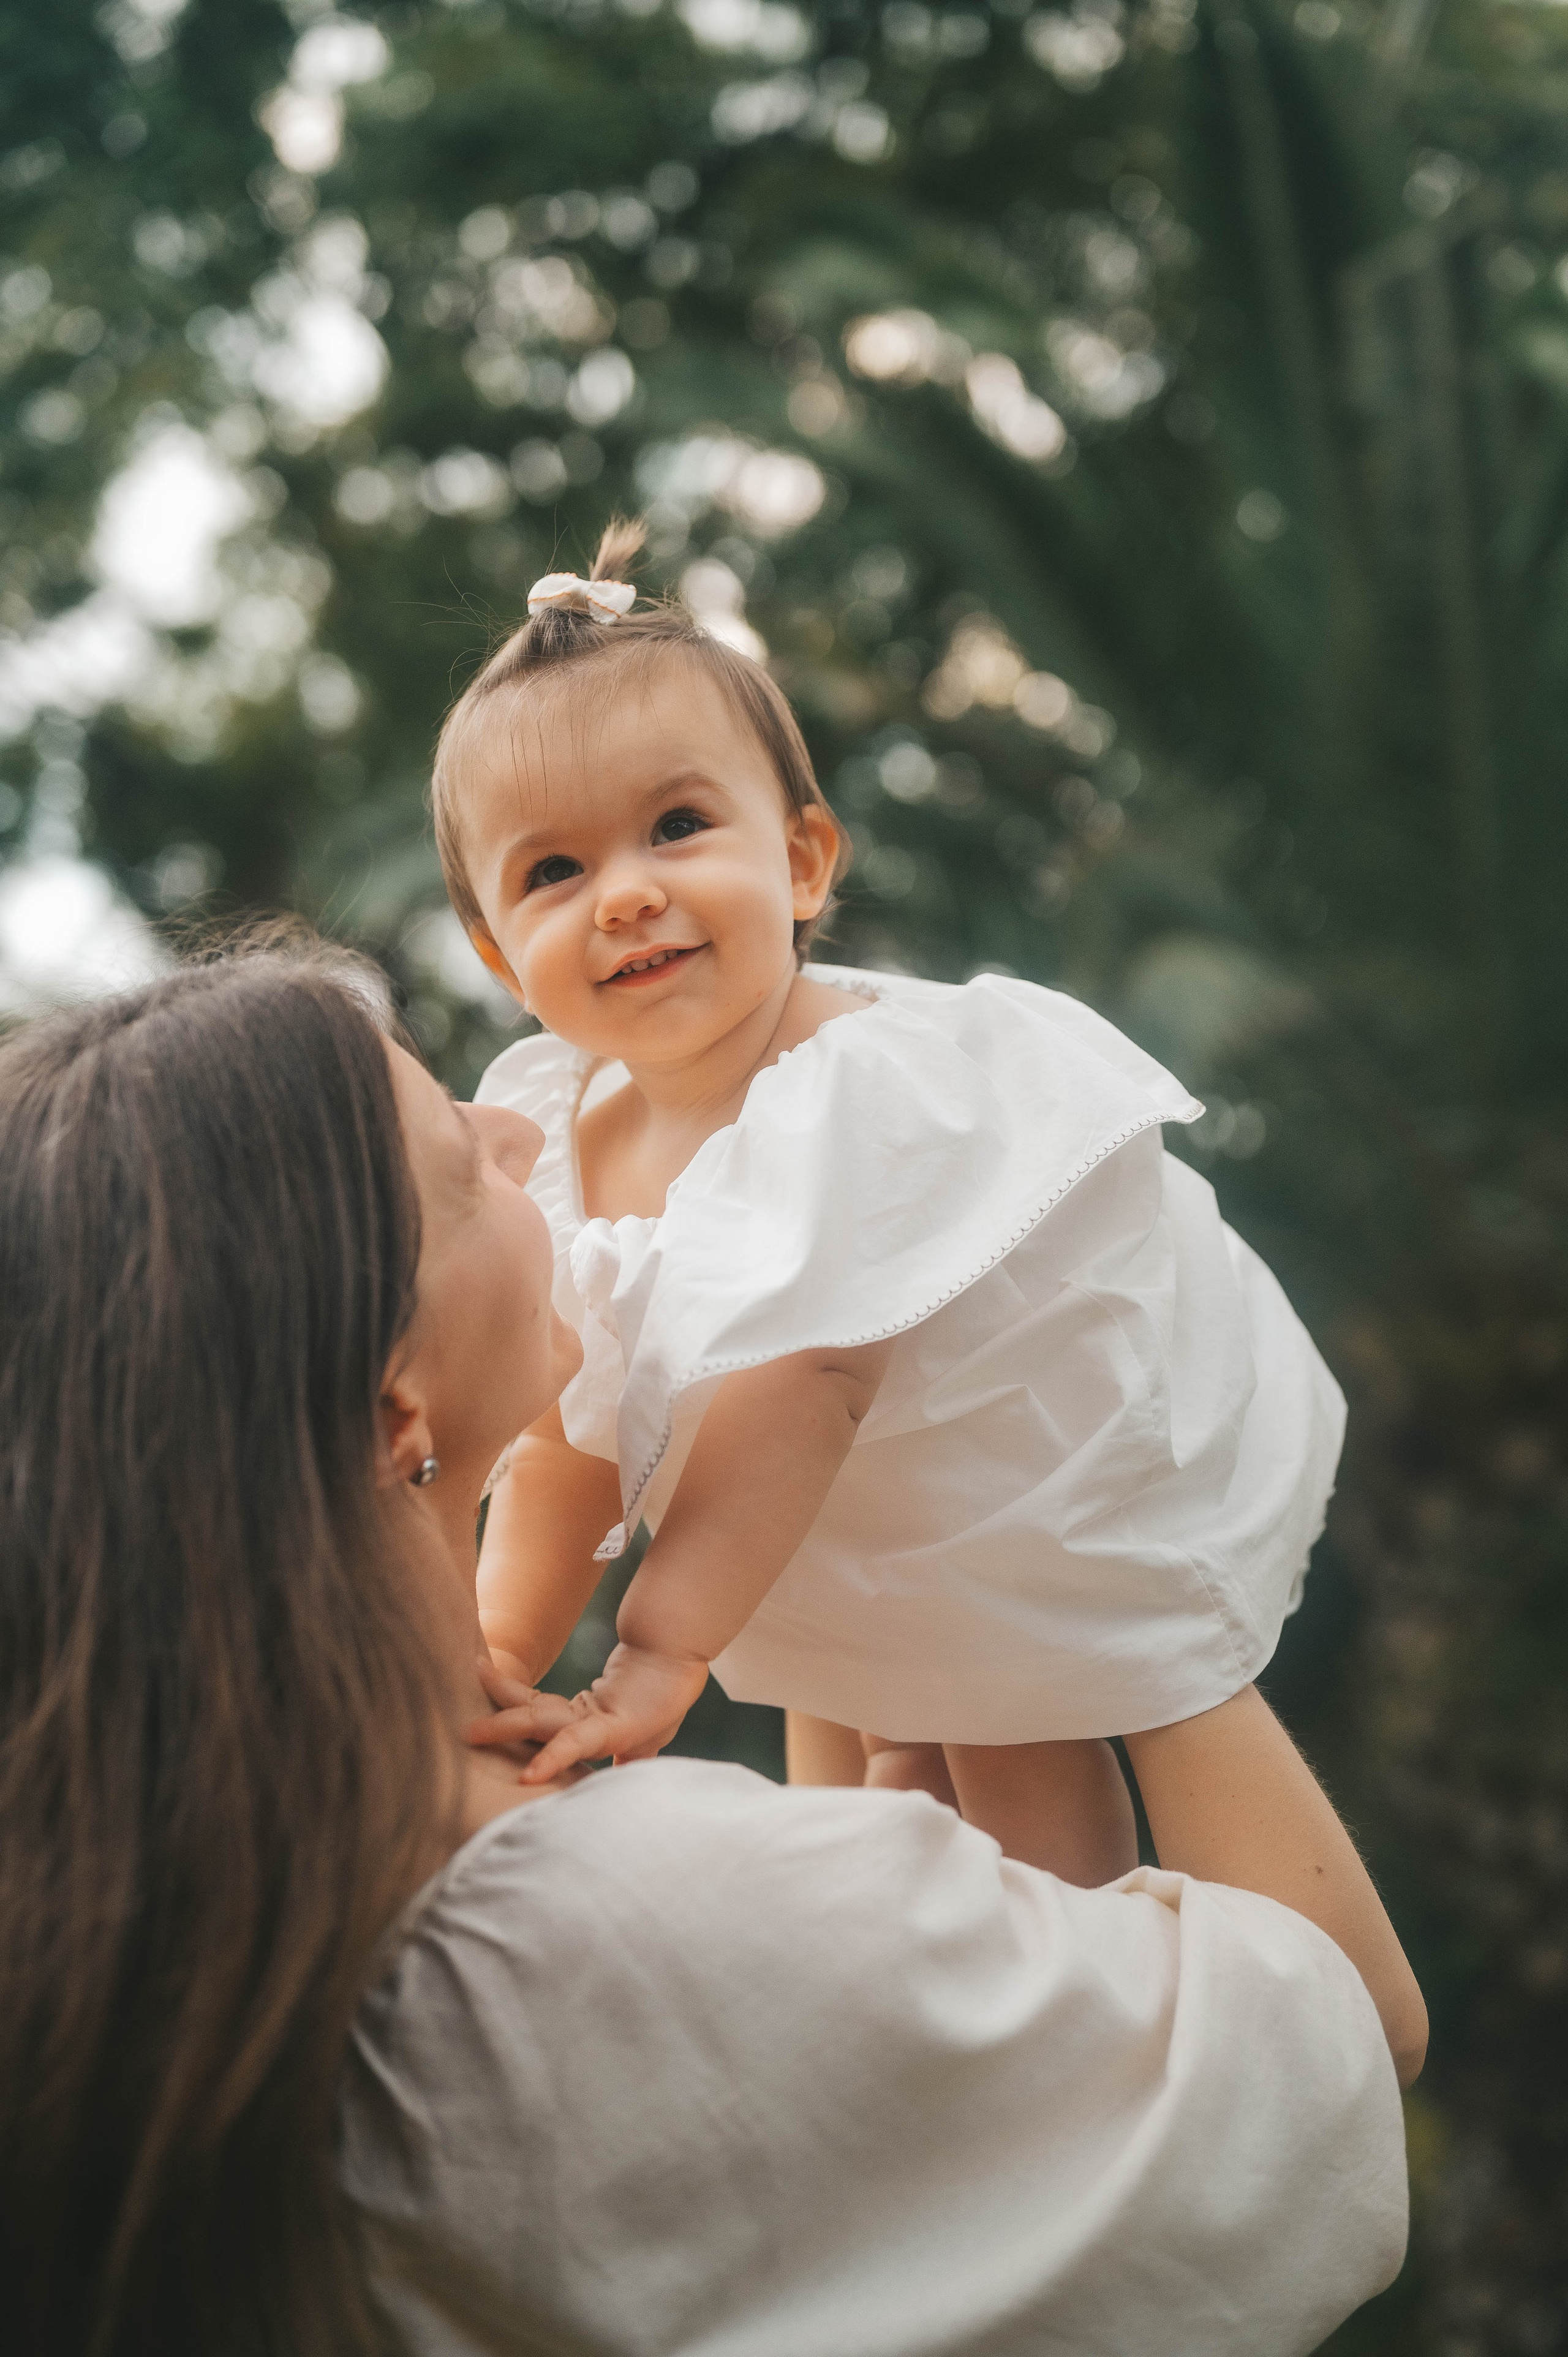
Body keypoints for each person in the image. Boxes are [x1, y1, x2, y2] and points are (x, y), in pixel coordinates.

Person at [0, 939, 1417, 2357]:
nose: (514, 1122)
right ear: (390, 1412)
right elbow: (1335, 2038)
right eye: (456, 1158)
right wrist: (1083, 1542)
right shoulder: (618, 1920)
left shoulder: (177, 1951)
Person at [433, 519, 1341, 1890]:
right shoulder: (553, 1142)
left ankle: (1100, 2002)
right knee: (872, 1831)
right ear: (503, 954)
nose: (624, 894)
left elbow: (813, 1376)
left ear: (800, 863)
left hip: (1008, 1481)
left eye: (677, 826)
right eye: (552, 871)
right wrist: (498, 1649)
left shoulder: (854, 1089)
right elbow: (570, 1433)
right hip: (807, 1541)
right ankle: (935, 2026)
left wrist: (654, 1657)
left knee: (1027, 1768)